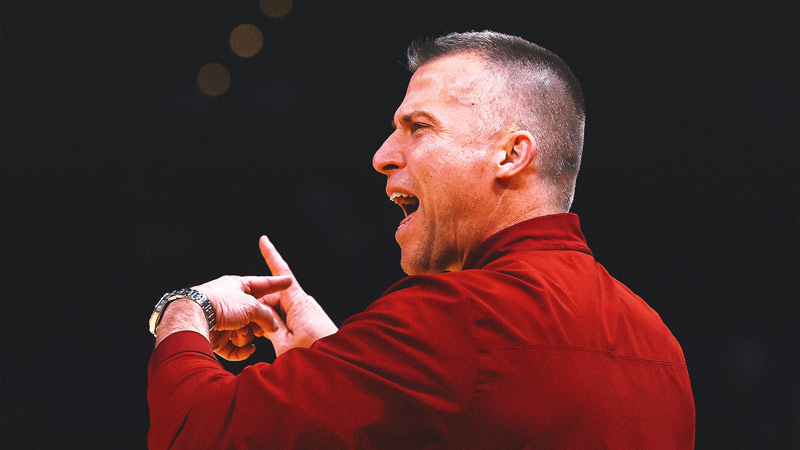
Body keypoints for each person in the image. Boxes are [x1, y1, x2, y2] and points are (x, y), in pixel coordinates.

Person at [147, 31, 695, 449]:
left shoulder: (456, 318)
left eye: (419, 127)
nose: (382, 155)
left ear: (511, 155)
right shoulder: (662, 346)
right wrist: (336, 364)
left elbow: (194, 432)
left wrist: (187, 310)